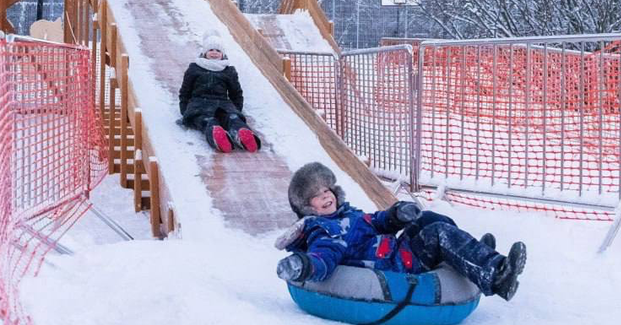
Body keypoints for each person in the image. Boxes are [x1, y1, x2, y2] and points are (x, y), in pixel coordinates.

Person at [276, 162, 527, 301]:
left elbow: (378, 221)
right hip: (395, 265)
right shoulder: (324, 233)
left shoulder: (349, 215)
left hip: (396, 250)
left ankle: (474, 258)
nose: (325, 197)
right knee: (438, 232)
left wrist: (397, 214)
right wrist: (303, 265)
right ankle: (497, 276)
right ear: (308, 207)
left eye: (326, 191)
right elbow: (323, 259)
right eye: (317, 197)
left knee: (429, 218)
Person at [178, 31, 261, 153]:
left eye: (218, 51)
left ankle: (242, 133)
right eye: (211, 50)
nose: (214, 53)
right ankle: (217, 135)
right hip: (199, 104)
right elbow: (185, 91)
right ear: (204, 52)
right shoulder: (195, 68)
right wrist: (185, 110)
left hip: (222, 104)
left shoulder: (228, 71)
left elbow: (236, 93)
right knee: (207, 121)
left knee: (232, 118)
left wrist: (236, 110)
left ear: (223, 54)